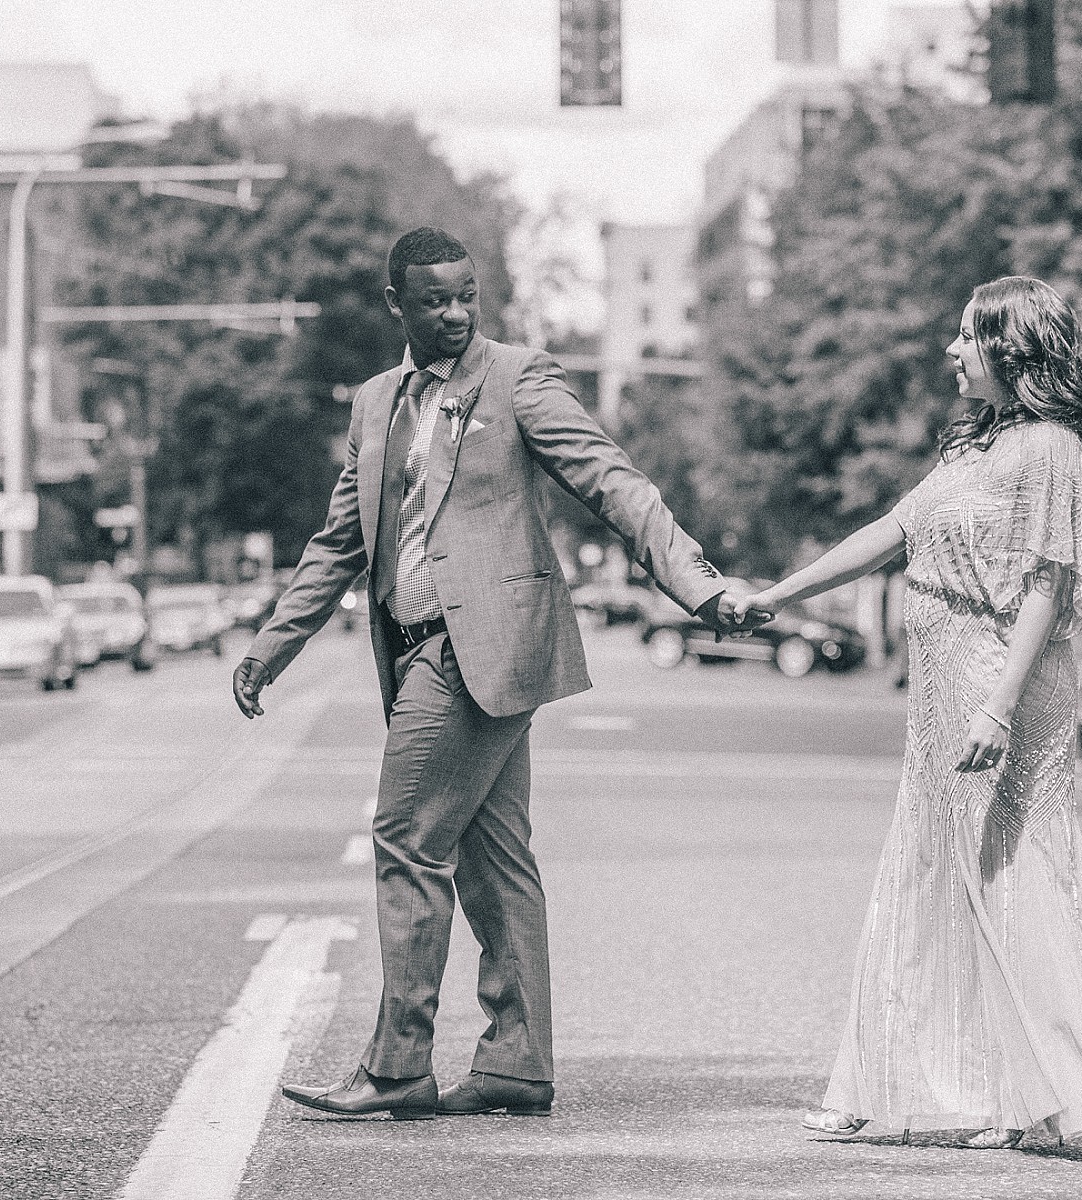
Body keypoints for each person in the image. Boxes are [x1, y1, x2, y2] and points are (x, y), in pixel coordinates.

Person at [232, 227, 753, 1120]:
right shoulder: (374, 404)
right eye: (434, 299)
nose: (456, 312)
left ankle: (399, 1063)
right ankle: (517, 1062)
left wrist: (695, 584)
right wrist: (271, 645)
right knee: (495, 859)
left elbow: (610, 478)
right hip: (421, 646)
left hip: (483, 645)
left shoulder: (519, 379)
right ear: (397, 303)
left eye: (466, 295)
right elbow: (342, 541)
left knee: (404, 835)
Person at [743, 276, 1082, 1148]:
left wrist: (1000, 710)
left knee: (1012, 887)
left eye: (968, 337)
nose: (953, 350)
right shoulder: (974, 449)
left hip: (994, 690)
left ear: (1012, 348)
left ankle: (1047, 1102)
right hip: (941, 699)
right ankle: (883, 1083)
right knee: (926, 877)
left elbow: (1048, 585)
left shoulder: (1046, 447)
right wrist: (777, 596)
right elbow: (890, 533)